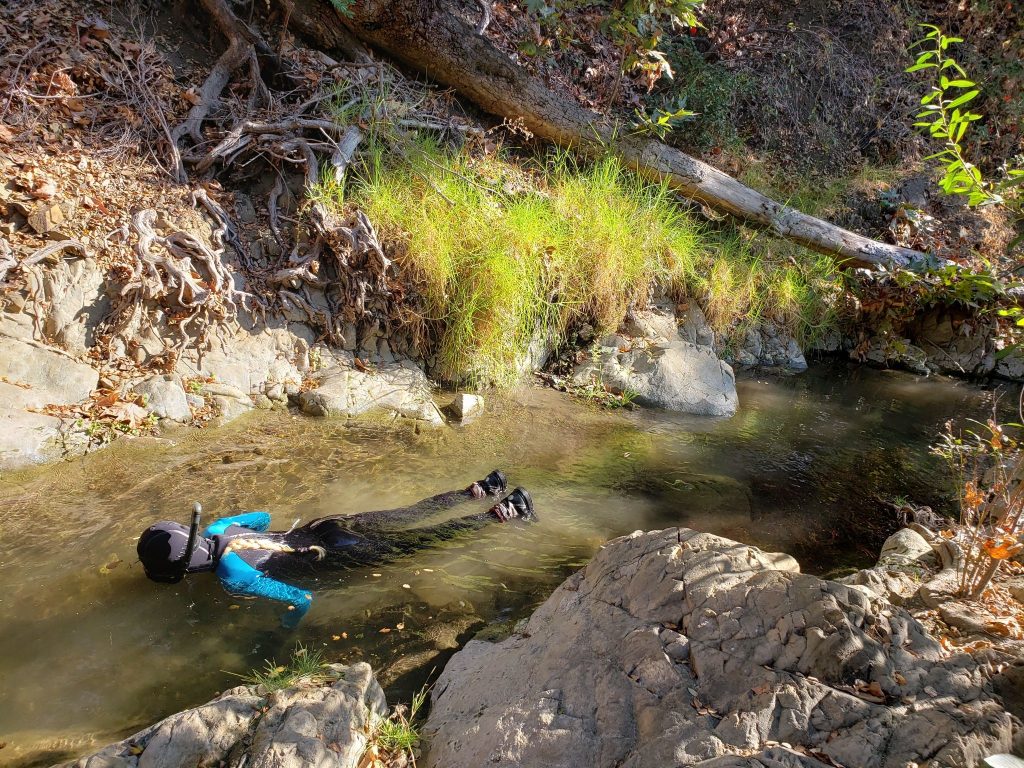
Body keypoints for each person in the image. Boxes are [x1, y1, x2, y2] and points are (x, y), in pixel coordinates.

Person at [136, 471, 534, 628]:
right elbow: (263, 516)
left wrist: (284, 629)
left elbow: (301, 598)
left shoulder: (232, 575)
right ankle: (483, 489)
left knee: (428, 539)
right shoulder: (221, 527)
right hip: (328, 526)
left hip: (343, 553)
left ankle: (505, 511)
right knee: (412, 514)